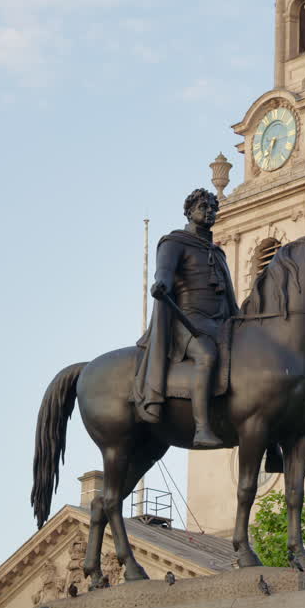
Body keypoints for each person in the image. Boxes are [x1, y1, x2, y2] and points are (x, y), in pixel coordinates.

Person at [132, 188, 238, 446]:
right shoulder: (174, 242)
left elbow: (229, 297)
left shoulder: (218, 252)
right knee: (206, 355)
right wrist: (161, 285)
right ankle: (201, 429)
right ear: (189, 211)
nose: (210, 211)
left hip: (219, 322)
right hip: (187, 322)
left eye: (213, 207)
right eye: (203, 207)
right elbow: (165, 274)